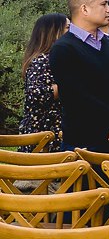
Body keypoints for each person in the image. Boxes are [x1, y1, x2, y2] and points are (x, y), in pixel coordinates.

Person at [50, 0, 109, 152]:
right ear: (84, 9)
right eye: (103, 4)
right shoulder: (64, 49)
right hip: (85, 144)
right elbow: (78, 98)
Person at [19, 13, 69, 150]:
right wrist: (71, 82)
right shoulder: (42, 60)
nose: (71, 33)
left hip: (55, 130)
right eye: (67, 28)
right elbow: (37, 94)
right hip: (44, 132)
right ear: (53, 32)